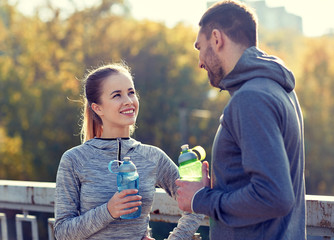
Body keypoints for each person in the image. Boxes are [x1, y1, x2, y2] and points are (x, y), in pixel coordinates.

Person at [175, 1, 306, 239]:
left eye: (199, 48)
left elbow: (274, 196)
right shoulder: (277, 89)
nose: (200, 62)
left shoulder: (251, 98)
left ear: (216, 38)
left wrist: (201, 199)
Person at [54, 62, 204, 240]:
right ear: (97, 107)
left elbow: (197, 202)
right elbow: (62, 232)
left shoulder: (153, 157)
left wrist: (176, 238)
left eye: (131, 92)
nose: (128, 101)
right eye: (117, 95)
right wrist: (109, 210)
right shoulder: (74, 159)